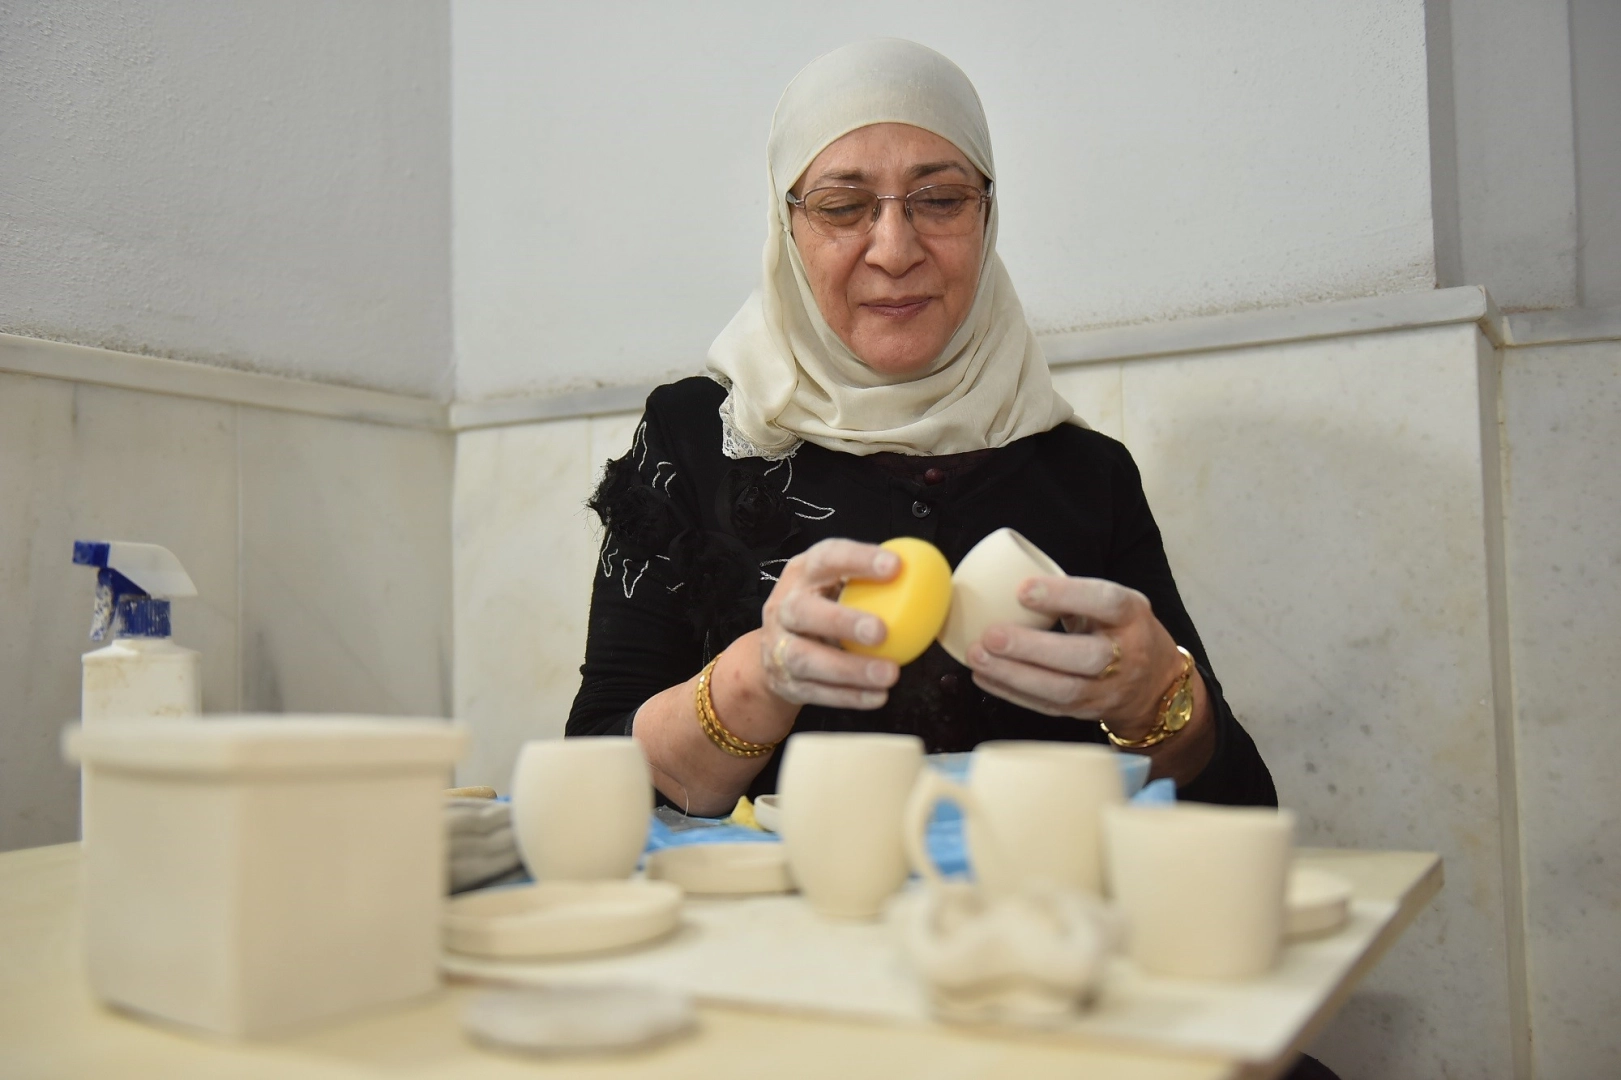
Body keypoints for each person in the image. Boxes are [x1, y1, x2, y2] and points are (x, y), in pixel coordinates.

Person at [566, 38, 1276, 821]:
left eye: (939, 200)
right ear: (787, 227)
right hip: (782, 902)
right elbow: (593, 783)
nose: (895, 250)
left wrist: (1158, 699)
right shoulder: (699, 439)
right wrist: (755, 681)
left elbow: (1234, 813)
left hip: (1036, 896)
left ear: (986, 214)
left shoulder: (1083, 473)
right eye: (842, 207)